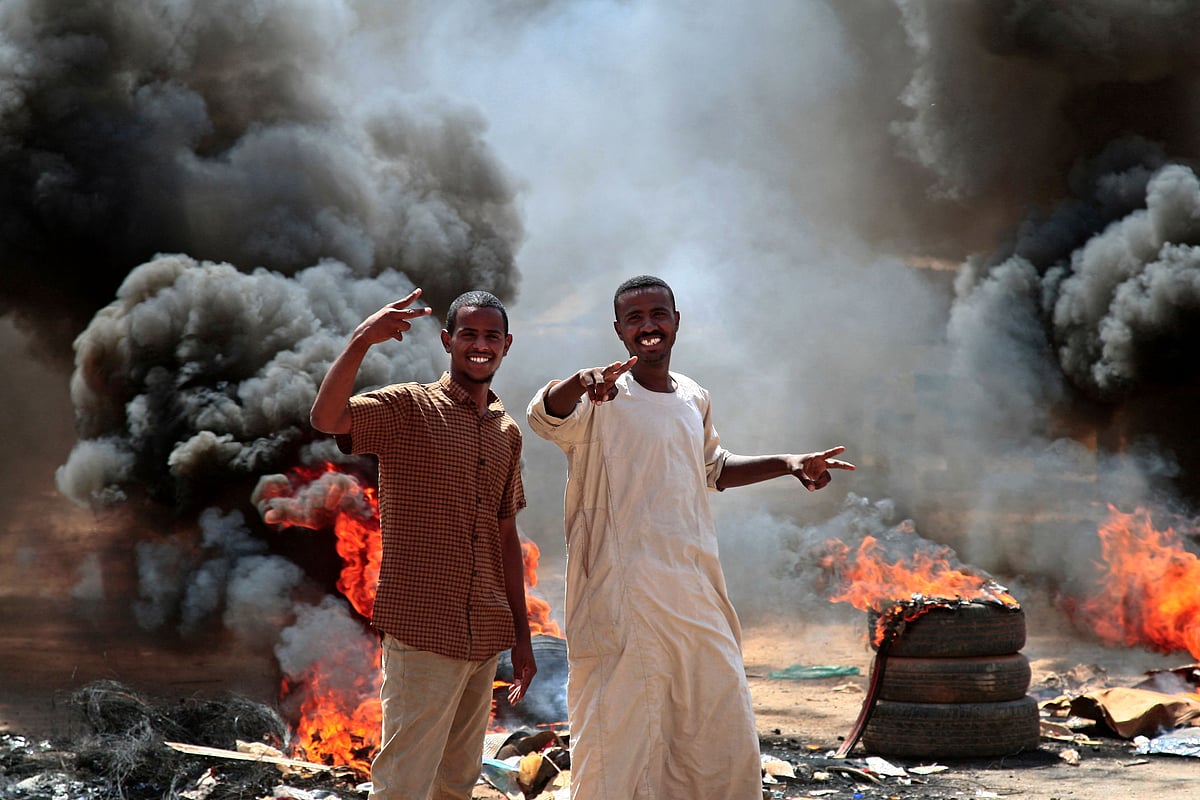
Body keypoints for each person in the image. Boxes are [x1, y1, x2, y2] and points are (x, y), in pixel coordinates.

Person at [526, 275, 854, 800]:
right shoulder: (600, 395)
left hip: (694, 591)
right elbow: (544, 415)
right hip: (620, 596)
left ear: (676, 322)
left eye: (658, 314)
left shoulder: (694, 396)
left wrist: (790, 463)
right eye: (634, 319)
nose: (648, 326)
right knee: (619, 741)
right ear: (618, 331)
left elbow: (713, 468)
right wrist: (581, 382)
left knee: (717, 731)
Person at [310, 287, 536, 800]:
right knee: (402, 786)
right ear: (447, 340)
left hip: (484, 636)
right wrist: (361, 340)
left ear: (507, 345)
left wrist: (521, 637)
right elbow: (327, 419)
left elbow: (506, 536)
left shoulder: (507, 431)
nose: (480, 344)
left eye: (491, 336)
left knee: (454, 784)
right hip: (424, 631)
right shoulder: (408, 408)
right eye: (469, 334)